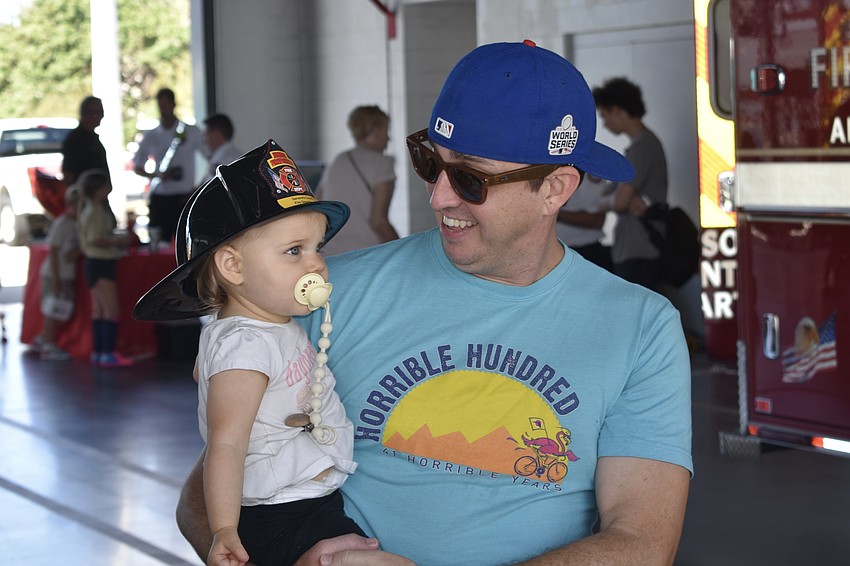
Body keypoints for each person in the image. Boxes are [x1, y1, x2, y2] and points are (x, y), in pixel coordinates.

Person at [176, 40, 692, 566]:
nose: (439, 196)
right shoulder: (322, 296)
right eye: (430, 162)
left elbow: (641, 542)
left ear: (555, 188)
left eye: (470, 178)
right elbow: (208, 492)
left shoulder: (640, 327)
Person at [133, 140, 384, 566]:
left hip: (307, 502)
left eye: (317, 248)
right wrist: (225, 530)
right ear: (233, 267)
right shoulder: (246, 343)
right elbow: (227, 443)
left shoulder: (260, 326)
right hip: (279, 514)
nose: (318, 265)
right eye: (294, 251)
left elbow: (208, 374)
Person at [592, 77, 669, 290]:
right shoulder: (643, 145)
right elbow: (618, 198)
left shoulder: (642, 148)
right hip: (638, 248)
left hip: (638, 250)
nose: (605, 124)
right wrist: (619, 197)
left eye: (605, 115)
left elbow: (618, 202)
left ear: (617, 110)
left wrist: (617, 199)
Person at [317, 105, 399, 255]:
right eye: (386, 131)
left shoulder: (337, 161)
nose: (388, 138)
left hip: (330, 256)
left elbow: (318, 207)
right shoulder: (382, 164)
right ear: (375, 131)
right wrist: (402, 250)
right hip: (366, 256)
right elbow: (378, 222)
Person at [77, 170, 133, 367]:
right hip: (101, 262)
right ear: (98, 189)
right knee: (111, 309)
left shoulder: (90, 209)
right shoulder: (95, 212)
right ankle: (108, 351)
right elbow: (95, 239)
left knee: (99, 311)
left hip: (94, 263)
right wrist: (117, 241)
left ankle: (99, 351)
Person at [133, 87, 203, 246]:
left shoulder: (190, 132)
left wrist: (198, 187)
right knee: (160, 242)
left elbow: (211, 158)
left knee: (185, 243)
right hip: (160, 196)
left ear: (173, 104)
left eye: (166, 104)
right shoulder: (151, 135)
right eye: (160, 105)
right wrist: (157, 176)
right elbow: (137, 165)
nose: (163, 109)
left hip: (184, 195)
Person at [31, 186, 81, 361]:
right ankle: (47, 341)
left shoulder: (75, 224)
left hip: (65, 273)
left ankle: (44, 338)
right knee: (54, 309)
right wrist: (57, 279)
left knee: (61, 309)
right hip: (56, 274)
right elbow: (53, 252)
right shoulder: (63, 224)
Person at [556, 174, 613, 271]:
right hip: (555, 253)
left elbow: (596, 220)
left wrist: (555, 213)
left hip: (587, 252)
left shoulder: (592, 172)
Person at [62, 96, 110, 187]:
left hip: (96, 196)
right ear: (85, 114)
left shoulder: (91, 138)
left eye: (101, 112)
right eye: (97, 113)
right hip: (85, 195)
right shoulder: (75, 140)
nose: (101, 116)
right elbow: (68, 172)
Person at [202, 113, 243, 179]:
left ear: (216, 134)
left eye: (206, 134)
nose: (204, 140)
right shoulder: (233, 154)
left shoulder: (223, 160)